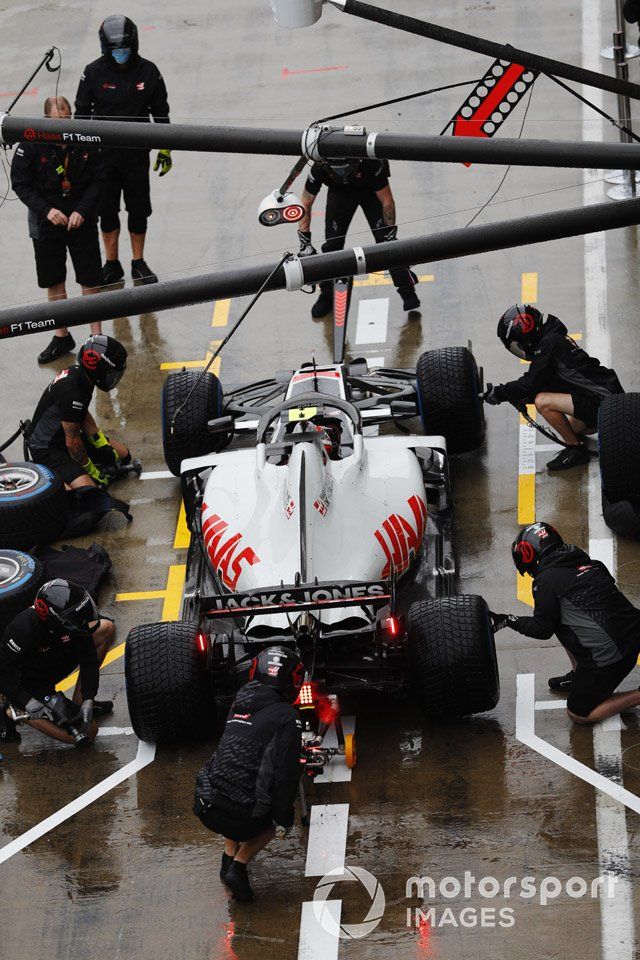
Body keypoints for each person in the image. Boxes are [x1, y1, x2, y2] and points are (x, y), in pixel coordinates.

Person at [491, 522, 640, 725]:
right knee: (565, 617)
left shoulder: (546, 582)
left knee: (578, 713)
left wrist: (509, 620)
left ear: (529, 555)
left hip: (610, 659)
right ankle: (579, 675)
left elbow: (542, 629)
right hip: (633, 638)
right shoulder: (593, 564)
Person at [193, 646, 304, 902]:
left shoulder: (239, 699)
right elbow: (285, 777)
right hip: (241, 815)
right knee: (266, 822)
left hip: (206, 803)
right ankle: (239, 867)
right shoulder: (287, 717)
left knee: (234, 789)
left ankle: (228, 859)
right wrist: (284, 819)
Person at [75, 14, 171, 287]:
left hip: (136, 155)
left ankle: (138, 261)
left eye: (125, 49)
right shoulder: (93, 72)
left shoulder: (148, 71)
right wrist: (82, 154)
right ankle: (112, 263)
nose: (121, 55)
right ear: (106, 48)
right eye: (116, 50)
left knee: (138, 209)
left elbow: (161, 112)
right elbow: (81, 114)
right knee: (107, 211)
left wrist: (166, 146)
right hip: (102, 157)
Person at [10, 96, 104, 365]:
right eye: (57, 120)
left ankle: (95, 337)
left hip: (80, 219)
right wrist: (46, 211)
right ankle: (61, 335)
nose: (63, 124)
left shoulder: (85, 139)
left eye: (67, 118)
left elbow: (99, 179)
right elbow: (21, 184)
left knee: (90, 279)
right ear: (46, 120)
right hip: (46, 220)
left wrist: (82, 211)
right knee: (54, 280)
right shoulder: (30, 144)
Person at [483, 304, 624, 470]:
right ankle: (579, 438)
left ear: (524, 335)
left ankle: (575, 450)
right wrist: (520, 396)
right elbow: (549, 382)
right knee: (570, 427)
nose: (520, 347)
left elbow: (530, 384)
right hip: (609, 399)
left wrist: (499, 393)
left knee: (542, 402)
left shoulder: (548, 344)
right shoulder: (552, 337)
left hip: (605, 403)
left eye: (518, 343)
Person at [297, 158, 420, 317]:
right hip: (339, 192)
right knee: (332, 247)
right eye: (337, 170)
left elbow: (387, 202)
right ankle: (327, 293)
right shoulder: (319, 166)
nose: (342, 173)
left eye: (346, 169)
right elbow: (305, 203)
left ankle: (407, 289)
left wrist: (389, 232)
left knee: (386, 244)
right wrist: (305, 242)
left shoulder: (371, 162)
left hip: (369, 189)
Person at [0, 579, 115, 746]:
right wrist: (27, 700)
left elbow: (89, 658)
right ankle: (12, 711)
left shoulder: (74, 620)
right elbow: (3, 673)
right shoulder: (21, 630)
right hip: (30, 682)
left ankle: (78, 701)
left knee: (106, 628)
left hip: (54, 660)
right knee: (90, 732)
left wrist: (88, 698)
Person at [28, 334, 131, 490]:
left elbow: (81, 414)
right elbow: (72, 442)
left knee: (124, 456)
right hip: (46, 448)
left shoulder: (82, 376)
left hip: (63, 434)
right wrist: (92, 471)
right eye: (110, 372)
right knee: (89, 494)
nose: (112, 378)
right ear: (96, 368)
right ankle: (47, 481)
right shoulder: (72, 392)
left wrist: (102, 444)